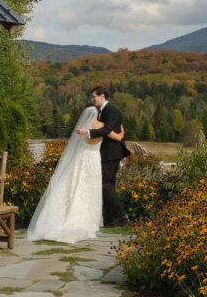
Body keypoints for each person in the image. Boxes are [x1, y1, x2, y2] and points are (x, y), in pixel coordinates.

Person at [27, 104, 125, 243]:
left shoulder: (82, 129)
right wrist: (121, 130)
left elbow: (76, 145)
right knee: (91, 190)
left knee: (75, 185)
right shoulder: (103, 127)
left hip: (81, 158)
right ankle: (89, 219)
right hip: (94, 160)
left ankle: (62, 217)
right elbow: (118, 135)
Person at [77, 85, 130, 227]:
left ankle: (123, 216)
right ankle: (112, 220)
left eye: (94, 96)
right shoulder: (100, 112)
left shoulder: (112, 111)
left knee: (105, 184)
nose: (92, 99)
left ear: (102, 96)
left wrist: (88, 132)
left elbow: (108, 130)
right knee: (108, 185)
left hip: (111, 153)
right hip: (104, 153)